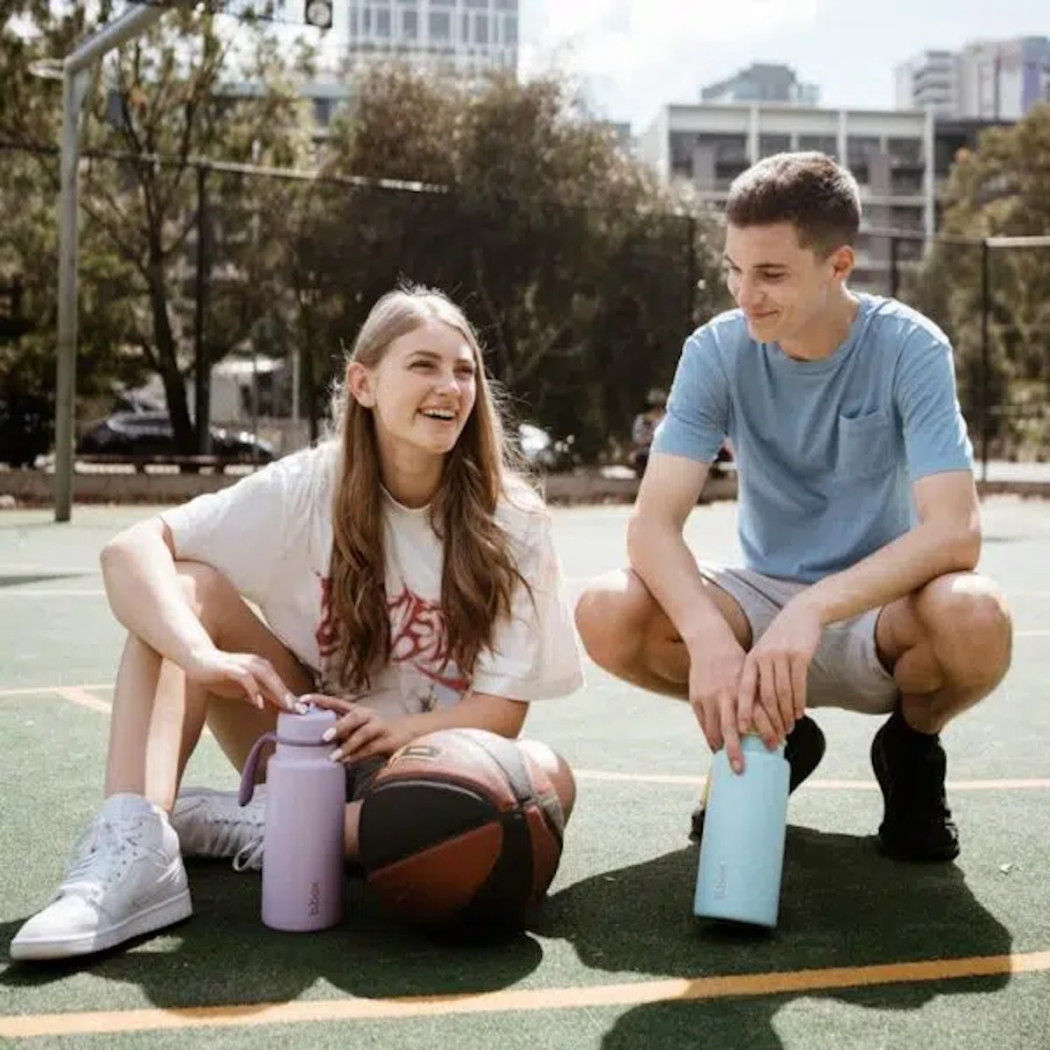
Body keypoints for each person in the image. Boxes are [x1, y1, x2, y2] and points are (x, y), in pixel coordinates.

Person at [11, 286, 583, 961]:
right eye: (424, 365)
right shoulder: (310, 487)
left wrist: (401, 732)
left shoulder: (508, 517)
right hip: (305, 743)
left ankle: (274, 827)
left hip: (428, 768)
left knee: (547, 776)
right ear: (363, 384)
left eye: (464, 370)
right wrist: (199, 655)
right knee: (186, 587)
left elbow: (503, 710)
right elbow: (130, 550)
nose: (450, 386)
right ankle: (133, 846)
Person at [575, 152, 1012, 863]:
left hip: (884, 609)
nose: (746, 296)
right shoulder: (715, 351)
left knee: (976, 615)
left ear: (838, 265)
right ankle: (775, 732)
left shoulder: (910, 347)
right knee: (607, 609)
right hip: (761, 600)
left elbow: (954, 529)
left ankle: (912, 745)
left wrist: (815, 610)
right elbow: (652, 525)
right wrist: (711, 639)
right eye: (733, 270)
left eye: (771, 274)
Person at [630, 389, 667, 476]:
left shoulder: (667, 419)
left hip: (663, 450)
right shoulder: (642, 419)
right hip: (645, 449)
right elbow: (637, 437)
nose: (657, 409)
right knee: (641, 456)